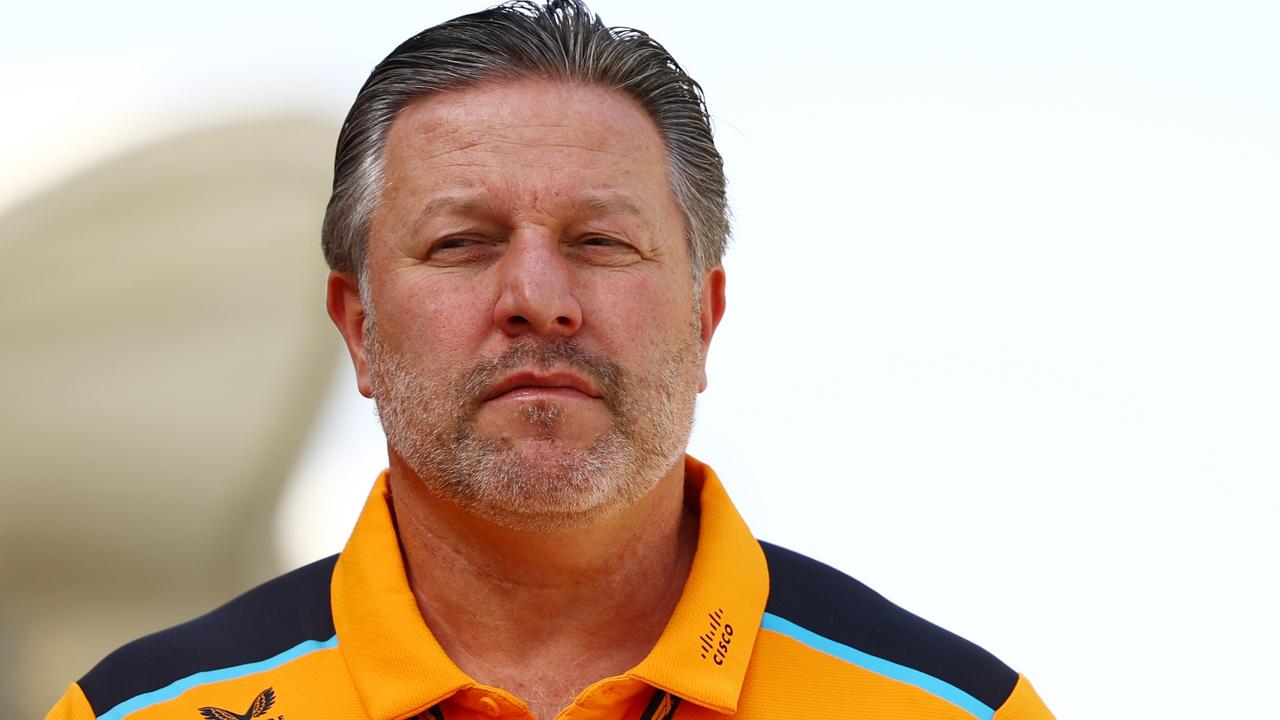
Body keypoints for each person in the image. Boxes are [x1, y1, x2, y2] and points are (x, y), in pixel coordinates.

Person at [46, 2, 1054, 719]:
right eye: (461, 243)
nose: (538, 299)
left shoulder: (952, 711)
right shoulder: (138, 713)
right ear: (356, 328)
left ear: (703, 321)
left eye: (600, 243)